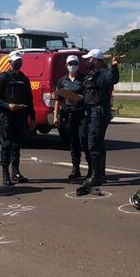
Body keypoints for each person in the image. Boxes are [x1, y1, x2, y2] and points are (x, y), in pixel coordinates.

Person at [0, 51, 35, 186]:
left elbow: (29, 99)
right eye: (15, 61)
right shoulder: (3, 77)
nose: (18, 63)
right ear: (10, 63)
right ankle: (5, 173)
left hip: (20, 116)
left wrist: (32, 117)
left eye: (19, 61)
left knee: (17, 145)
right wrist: (7, 105)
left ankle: (16, 172)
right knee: (7, 144)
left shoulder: (24, 79)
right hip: (7, 116)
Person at [79, 49, 120, 189]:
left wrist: (114, 66)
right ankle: (100, 174)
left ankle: (96, 176)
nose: (86, 61)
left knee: (94, 143)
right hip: (89, 110)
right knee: (90, 141)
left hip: (99, 111)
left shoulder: (104, 73)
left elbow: (113, 79)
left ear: (95, 60)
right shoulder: (92, 73)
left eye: (89, 59)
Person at [54, 54, 88, 181]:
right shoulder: (62, 81)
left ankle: (90, 168)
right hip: (68, 113)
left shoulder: (83, 79)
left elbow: (88, 96)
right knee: (73, 141)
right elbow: (58, 99)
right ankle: (76, 168)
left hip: (81, 113)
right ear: (66, 66)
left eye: (75, 63)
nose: (73, 66)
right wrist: (56, 115)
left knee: (83, 139)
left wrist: (79, 99)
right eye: (70, 64)